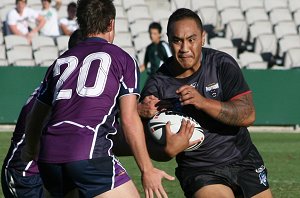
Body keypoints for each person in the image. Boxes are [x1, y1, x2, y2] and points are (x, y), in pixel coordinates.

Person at [21, 0, 176, 197]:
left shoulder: (60, 62)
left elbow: (36, 116)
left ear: (80, 24)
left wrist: (31, 149)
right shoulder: (123, 59)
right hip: (88, 151)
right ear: (111, 24)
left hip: (49, 157)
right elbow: (129, 120)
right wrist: (147, 169)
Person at [138, 8, 273, 198]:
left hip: (244, 159)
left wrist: (203, 102)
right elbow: (145, 142)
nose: (184, 48)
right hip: (200, 170)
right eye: (177, 41)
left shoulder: (221, 64)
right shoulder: (157, 85)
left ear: (203, 37)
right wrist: (166, 151)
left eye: (191, 40)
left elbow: (248, 114)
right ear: (169, 41)